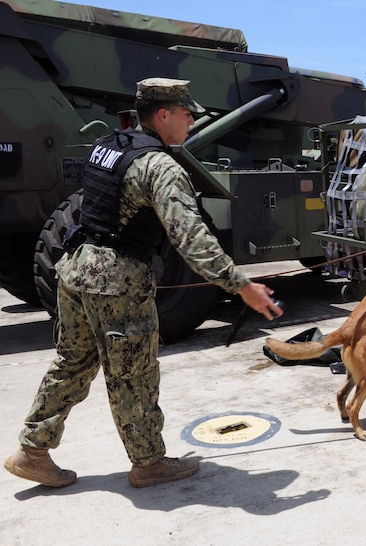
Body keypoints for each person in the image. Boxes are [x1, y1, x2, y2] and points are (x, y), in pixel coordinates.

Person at [4, 78, 283, 488]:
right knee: (132, 375)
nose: (191, 120)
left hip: (75, 269)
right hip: (116, 282)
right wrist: (241, 284)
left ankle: (32, 450)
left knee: (72, 363)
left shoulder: (111, 145)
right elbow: (191, 236)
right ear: (164, 115)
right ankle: (149, 463)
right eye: (187, 113)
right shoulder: (161, 166)